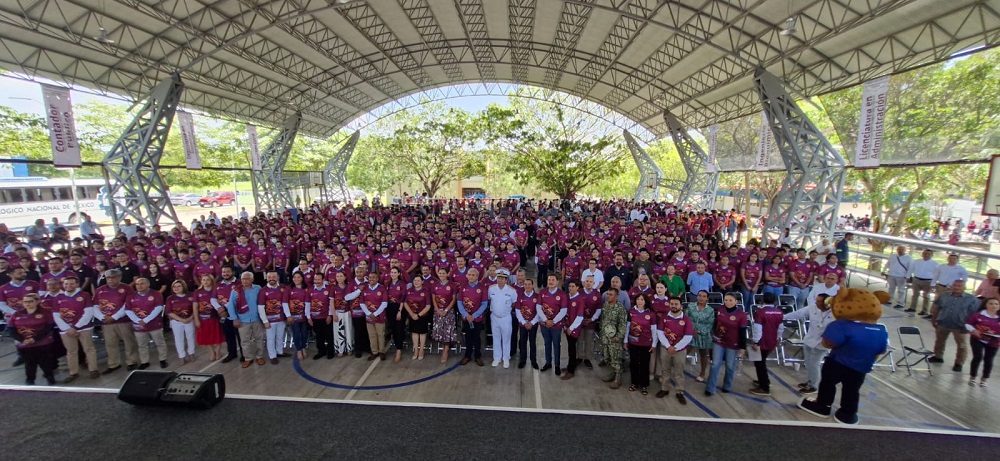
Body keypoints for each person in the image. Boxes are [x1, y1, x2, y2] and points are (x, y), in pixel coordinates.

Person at [799, 306, 888, 425]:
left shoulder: (843, 325)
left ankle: (823, 406)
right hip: (861, 367)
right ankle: (848, 413)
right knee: (852, 389)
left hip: (838, 362)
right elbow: (880, 351)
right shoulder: (881, 330)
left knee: (828, 383)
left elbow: (827, 343)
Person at [785, 291, 836, 394]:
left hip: (822, 342)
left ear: (826, 302)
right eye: (816, 301)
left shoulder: (835, 313)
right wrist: (782, 317)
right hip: (809, 339)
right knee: (808, 362)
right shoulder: (812, 307)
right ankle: (810, 381)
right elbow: (798, 314)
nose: (816, 303)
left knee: (814, 363)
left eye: (819, 301)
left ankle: (814, 386)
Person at [54, 276, 99, 382]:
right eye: (66, 284)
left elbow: (88, 313)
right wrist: (67, 328)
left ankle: (93, 370)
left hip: (84, 328)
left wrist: (76, 327)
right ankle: (73, 372)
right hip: (66, 330)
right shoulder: (58, 298)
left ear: (77, 284)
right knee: (71, 352)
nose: (68, 286)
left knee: (89, 349)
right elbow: (56, 315)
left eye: (71, 284)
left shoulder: (85, 295)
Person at [929, 280, 980, 372]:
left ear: (964, 288)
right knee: (939, 341)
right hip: (943, 323)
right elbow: (937, 308)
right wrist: (934, 319)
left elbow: (975, 315)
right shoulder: (944, 296)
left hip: (960, 326)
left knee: (962, 345)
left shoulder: (972, 299)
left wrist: (970, 327)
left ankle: (959, 363)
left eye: (959, 286)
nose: (956, 287)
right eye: (955, 285)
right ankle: (938, 357)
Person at [7, 294, 57, 385]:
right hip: (24, 344)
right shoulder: (16, 314)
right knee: (29, 363)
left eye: (30, 301)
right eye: (25, 302)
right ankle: (30, 380)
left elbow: (49, 327)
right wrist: (22, 340)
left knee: (45, 362)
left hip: (42, 343)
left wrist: (35, 339)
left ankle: (50, 378)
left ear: (37, 302)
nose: (27, 303)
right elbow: (11, 329)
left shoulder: (45, 312)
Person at [705, 293, 748, 396]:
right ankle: (710, 388)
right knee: (715, 364)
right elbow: (716, 324)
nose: (727, 302)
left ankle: (727, 385)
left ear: (736, 302)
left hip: (733, 344)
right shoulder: (720, 309)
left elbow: (742, 332)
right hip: (719, 341)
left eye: (730, 300)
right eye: (726, 300)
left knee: (730, 365)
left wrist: (743, 347)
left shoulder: (741, 315)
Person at [125, 277, 169, 370]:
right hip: (139, 326)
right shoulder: (131, 296)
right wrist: (138, 321)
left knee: (160, 343)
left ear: (148, 284)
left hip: (154, 324)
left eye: (142, 283)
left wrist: (146, 320)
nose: (139, 286)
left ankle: (163, 359)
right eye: (137, 284)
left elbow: (159, 308)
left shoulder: (156, 294)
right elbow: (128, 310)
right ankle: (144, 362)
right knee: (141, 345)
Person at [655, 298, 693, 404]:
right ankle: (664, 389)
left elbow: (688, 336)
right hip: (665, 348)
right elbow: (660, 332)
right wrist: (668, 346)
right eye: (672, 304)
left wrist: (675, 347)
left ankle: (679, 391)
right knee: (665, 370)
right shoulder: (664, 317)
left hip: (679, 350)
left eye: (676, 304)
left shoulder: (686, 319)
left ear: (681, 306)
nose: (674, 306)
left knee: (679, 372)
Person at [227, 271, 266, 368]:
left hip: (257, 319)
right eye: (243, 279)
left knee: (260, 339)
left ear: (252, 280)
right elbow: (231, 306)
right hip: (242, 320)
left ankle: (259, 356)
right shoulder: (235, 291)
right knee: (244, 341)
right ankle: (248, 358)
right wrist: (234, 319)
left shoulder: (258, 288)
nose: (245, 281)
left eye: (247, 279)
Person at [749, 292, 785, 396]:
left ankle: (764, 387)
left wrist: (756, 341)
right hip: (772, 340)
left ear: (762, 300)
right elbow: (781, 327)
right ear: (774, 301)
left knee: (759, 363)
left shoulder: (760, 312)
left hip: (762, 341)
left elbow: (757, 328)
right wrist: (778, 338)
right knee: (761, 362)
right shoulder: (779, 312)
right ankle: (763, 380)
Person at [626, 293, 658, 395]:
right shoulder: (631, 312)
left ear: (645, 302)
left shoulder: (651, 314)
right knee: (633, 363)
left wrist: (654, 344)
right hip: (633, 342)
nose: (639, 301)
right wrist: (625, 341)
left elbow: (654, 330)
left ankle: (644, 385)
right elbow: (627, 327)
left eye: (642, 300)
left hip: (646, 343)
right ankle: (634, 383)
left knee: (644, 364)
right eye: (638, 299)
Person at [539, 273, 568, 375]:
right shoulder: (542, 292)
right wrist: (545, 320)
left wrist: (553, 321)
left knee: (556, 345)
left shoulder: (562, 294)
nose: (550, 282)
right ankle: (548, 362)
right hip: (544, 324)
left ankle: (557, 365)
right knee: (547, 343)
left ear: (557, 282)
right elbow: (538, 308)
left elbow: (564, 310)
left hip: (556, 326)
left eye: (552, 280)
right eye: (549, 280)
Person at [966, 298, 1000, 387]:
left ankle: (984, 379)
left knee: (989, 360)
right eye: (991, 304)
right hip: (978, 339)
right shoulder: (978, 315)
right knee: (977, 357)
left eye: (996, 304)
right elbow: (968, 324)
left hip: (994, 341)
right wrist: (974, 330)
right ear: (986, 305)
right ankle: (972, 378)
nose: (994, 306)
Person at [457, 268, 487, 366]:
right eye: (469, 274)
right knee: (468, 337)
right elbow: (459, 302)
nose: (471, 276)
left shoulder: (482, 288)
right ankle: (467, 356)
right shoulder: (463, 287)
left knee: (477, 337)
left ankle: (478, 356)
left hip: (477, 319)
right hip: (466, 318)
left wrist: (474, 316)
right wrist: (466, 315)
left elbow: (484, 304)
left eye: (473, 275)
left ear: (477, 276)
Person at [488, 268, 517, 368]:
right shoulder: (491, 289)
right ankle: (497, 358)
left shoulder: (512, 291)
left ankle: (506, 358)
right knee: (496, 338)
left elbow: (514, 303)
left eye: (502, 278)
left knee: (506, 338)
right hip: (494, 317)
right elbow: (489, 301)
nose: (500, 280)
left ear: (506, 280)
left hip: (506, 317)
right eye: (498, 278)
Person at [259, 272, 290, 364]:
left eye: (274, 277)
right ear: (266, 278)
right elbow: (260, 307)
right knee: (271, 338)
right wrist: (265, 321)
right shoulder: (263, 291)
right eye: (269, 277)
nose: (271, 279)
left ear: (278, 278)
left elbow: (285, 303)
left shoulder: (283, 288)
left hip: (281, 318)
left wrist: (287, 316)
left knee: (280, 336)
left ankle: (279, 351)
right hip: (270, 320)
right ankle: (272, 356)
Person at [599, 288, 627, 389]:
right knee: (608, 357)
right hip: (605, 337)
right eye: (607, 294)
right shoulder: (605, 305)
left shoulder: (620, 309)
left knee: (616, 358)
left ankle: (618, 379)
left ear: (616, 296)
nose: (608, 296)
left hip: (614, 338)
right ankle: (612, 373)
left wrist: (618, 337)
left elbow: (623, 325)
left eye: (611, 294)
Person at [166, 280, 199, 363]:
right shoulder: (170, 298)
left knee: (190, 337)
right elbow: (168, 312)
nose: (176, 288)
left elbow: (195, 308)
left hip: (189, 320)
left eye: (179, 286)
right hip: (176, 321)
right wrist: (181, 320)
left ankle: (191, 353)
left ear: (183, 287)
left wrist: (190, 318)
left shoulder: (191, 295)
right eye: (174, 286)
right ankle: (181, 356)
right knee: (178, 339)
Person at [685, 290, 715, 382]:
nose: (701, 298)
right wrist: (691, 330)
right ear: (697, 297)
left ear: (707, 298)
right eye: (700, 295)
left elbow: (710, 324)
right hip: (690, 332)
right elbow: (686, 319)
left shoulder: (710, 310)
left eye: (704, 296)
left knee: (703, 354)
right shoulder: (690, 306)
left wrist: (700, 331)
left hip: (703, 334)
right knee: (684, 351)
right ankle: (677, 370)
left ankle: (702, 373)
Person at [194, 274, 225, 361]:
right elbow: (195, 306)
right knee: (206, 336)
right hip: (203, 318)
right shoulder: (197, 292)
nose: (205, 282)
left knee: (219, 335)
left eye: (207, 280)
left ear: (211, 281)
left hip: (216, 317)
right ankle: (212, 351)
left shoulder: (216, 291)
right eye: (203, 280)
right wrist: (196, 319)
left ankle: (218, 351)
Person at [360, 271, 389, 361]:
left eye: (373, 277)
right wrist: (369, 314)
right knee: (372, 335)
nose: (371, 279)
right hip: (369, 317)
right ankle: (374, 352)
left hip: (380, 316)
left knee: (380, 334)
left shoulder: (382, 288)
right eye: (370, 277)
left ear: (377, 279)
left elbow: (384, 303)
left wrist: (375, 314)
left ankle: (382, 352)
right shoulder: (365, 289)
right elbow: (361, 303)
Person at [431, 267, 457, 364]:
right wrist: (437, 309)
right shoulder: (435, 285)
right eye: (440, 273)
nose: (441, 275)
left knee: (447, 332)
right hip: (438, 311)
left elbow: (453, 299)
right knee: (441, 331)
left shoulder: (452, 285)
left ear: (447, 274)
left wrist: (446, 310)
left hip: (448, 311)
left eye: (443, 273)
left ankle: (446, 351)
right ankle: (443, 348)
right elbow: (433, 298)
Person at [561, 279, 585, 380]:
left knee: (572, 348)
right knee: (570, 348)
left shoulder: (580, 299)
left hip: (573, 328)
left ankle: (571, 371)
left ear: (577, 288)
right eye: (569, 286)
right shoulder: (567, 297)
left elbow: (580, 317)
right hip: (567, 326)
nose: (570, 288)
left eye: (573, 286)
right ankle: (571, 365)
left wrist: (571, 328)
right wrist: (565, 326)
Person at [515, 278, 542, 369]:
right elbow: (517, 310)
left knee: (532, 342)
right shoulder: (520, 296)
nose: (527, 286)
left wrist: (532, 322)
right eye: (525, 284)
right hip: (523, 324)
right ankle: (523, 360)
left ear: (532, 285)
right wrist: (524, 322)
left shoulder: (537, 296)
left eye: (529, 284)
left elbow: (539, 311)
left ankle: (533, 360)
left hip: (533, 324)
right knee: (522, 342)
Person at [309, 272, 336, 359]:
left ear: (323, 280)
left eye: (318, 279)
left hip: (326, 317)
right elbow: (307, 304)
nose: (316, 281)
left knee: (328, 335)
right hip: (315, 318)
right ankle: (321, 351)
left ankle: (330, 352)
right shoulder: (310, 290)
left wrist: (329, 315)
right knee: (319, 336)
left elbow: (330, 303)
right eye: (315, 279)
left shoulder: (329, 289)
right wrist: (309, 317)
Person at [404, 274, 432, 360]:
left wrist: (418, 315)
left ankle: (421, 350)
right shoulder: (409, 291)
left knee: (422, 333)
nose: (416, 282)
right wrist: (412, 314)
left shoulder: (426, 292)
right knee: (414, 332)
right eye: (415, 281)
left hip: (422, 316)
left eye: (418, 281)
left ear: (422, 282)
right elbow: (405, 303)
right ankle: (416, 350)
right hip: (412, 315)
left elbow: (428, 306)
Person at [578, 275, 603, 369]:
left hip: (591, 322)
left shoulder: (597, 294)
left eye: (591, 282)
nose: (588, 283)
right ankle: (580, 357)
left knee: (589, 341)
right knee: (580, 340)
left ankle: (587, 358)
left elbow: (599, 309)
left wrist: (592, 319)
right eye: (587, 281)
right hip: (579, 322)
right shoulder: (579, 292)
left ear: (594, 283)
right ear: (584, 282)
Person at [385, 267, 408, 363]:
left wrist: (399, 311)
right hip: (390, 308)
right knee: (393, 329)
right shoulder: (388, 283)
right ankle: (397, 346)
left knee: (399, 329)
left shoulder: (402, 284)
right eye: (392, 272)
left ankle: (399, 350)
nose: (393, 274)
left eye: (395, 272)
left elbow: (403, 298)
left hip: (400, 308)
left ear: (399, 274)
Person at [286, 272, 311, 360]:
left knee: (304, 333)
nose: (296, 279)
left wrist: (308, 316)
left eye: (298, 277)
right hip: (294, 316)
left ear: (302, 278)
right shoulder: (289, 288)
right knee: (296, 333)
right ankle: (299, 349)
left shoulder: (307, 288)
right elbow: (285, 303)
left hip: (304, 315)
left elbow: (309, 302)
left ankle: (303, 347)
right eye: (294, 277)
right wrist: (288, 315)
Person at [908, 249, 938, 316]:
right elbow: (911, 269)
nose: (926, 255)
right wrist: (908, 276)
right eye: (924, 253)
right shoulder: (916, 261)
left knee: (926, 296)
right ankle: (912, 307)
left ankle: (924, 310)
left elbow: (936, 274)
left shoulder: (935, 264)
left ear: (932, 255)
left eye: (928, 254)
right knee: (915, 295)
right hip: (916, 279)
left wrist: (934, 283)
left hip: (928, 281)